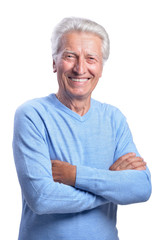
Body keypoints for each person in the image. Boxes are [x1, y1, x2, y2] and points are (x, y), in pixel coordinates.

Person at [13, 17, 151, 240]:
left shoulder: (113, 118)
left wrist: (74, 175)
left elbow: (142, 187)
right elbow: (41, 197)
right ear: (54, 62)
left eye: (91, 58)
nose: (80, 68)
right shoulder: (32, 115)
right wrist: (110, 186)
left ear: (101, 67)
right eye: (70, 56)